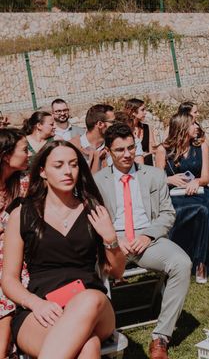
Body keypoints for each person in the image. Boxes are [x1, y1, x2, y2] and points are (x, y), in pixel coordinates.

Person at [2, 140, 126, 358]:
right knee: (87, 346)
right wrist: (36, 304)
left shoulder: (92, 210)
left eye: (73, 164)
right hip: (40, 307)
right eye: (58, 165)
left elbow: (117, 272)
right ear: (42, 171)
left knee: (89, 299)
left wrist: (110, 238)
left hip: (94, 307)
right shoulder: (21, 215)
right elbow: (9, 280)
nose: (68, 171)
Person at [94, 123, 191, 359]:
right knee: (91, 270)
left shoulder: (155, 175)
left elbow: (168, 214)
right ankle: (105, 333)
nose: (127, 154)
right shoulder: (97, 181)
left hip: (147, 238)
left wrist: (147, 235)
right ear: (107, 151)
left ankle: (161, 337)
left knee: (182, 263)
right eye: (120, 150)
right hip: (111, 241)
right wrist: (114, 239)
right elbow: (92, 219)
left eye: (131, 148)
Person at [156, 113, 209, 284]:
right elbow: (156, 180)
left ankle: (201, 263)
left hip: (200, 192)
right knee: (176, 211)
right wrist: (169, 179)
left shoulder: (202, 146)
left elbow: (206, 178)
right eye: (193, 124)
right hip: (173, 193)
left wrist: (196, 181)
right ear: (182, 128)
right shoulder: (162, 150)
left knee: (204, 209)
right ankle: (175, 260)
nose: (197, 128)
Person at [0, 129, 30, 357]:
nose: (29, 153)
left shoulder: (25, 183)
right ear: (7, 156)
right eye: (24, 149)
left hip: (21, 255)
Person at [70, 104, 115, 173]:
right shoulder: (72, 148)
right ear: (100, 124)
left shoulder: (112, 146)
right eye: (112, 122)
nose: (115, 125)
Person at [124, 99, 157, 166]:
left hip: (147, 164)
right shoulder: (125, 129)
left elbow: (152, 149)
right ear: (133, 112)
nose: (145, 112)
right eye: (142, 110)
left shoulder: (147, 127)